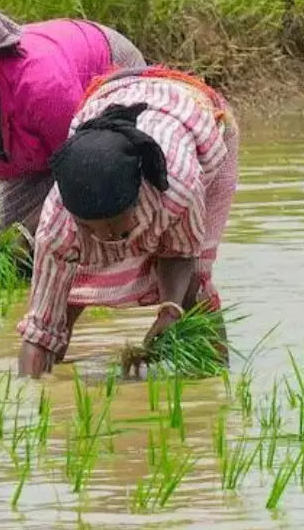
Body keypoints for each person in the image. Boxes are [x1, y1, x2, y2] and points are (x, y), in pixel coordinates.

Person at [15, 67, 238, 377]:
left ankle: (217, 378)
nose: (105, 237)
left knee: (195, 284)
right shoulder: (57, 224)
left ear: (136, 199)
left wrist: (170, 310)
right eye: (88, 226)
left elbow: (180, 252)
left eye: (114, 223)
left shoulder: (176, 188)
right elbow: (38, 329)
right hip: (111, 99)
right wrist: (27, 392)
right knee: (67, 292)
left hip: (195, 114)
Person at [0, 2, 146, 280]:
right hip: (29, 147)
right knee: (16, 267)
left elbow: (85, 167)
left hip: (103, 89)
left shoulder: (45, 89)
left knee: (100, 226)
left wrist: (29, 232)